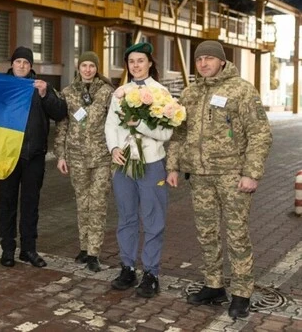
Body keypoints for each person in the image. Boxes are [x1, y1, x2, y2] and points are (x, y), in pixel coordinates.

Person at [166, 40, 272, 319]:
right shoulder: (190, 93)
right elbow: (179, 133)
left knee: (237, 234)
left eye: (209, 59)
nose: (203, 64)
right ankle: (214, 285)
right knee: (206, 233)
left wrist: (251, 173)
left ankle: (242, 292)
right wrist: (173, 166)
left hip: (232, 175)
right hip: (200, 177)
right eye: (199, 59)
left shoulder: (241, 90)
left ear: (222, 61)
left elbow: (260, 133)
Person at [104, 42, 172, 298]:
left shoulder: (161, 93)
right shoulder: (121, 92)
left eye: (140, 60)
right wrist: (113, 148)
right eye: (131, 61)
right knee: (127, 217)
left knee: (153, 219)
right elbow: (111, 125)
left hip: (152, 163)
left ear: (150, 63)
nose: (136, 65)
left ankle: (151, 273)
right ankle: (128, 268)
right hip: (124, 163)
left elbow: (166, 133)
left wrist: (139, 124)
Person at [0, 46, 67, 268]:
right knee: (7, 203)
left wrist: (46, 95)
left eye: (26, 63)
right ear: (12, 64)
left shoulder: (41, 87)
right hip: (7, 156)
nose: (22, 65)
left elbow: (60, 112)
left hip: (34, 156)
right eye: (18, 61)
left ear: (31, 66)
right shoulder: (1, 86)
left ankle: (28, 249)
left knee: (31, 204)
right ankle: (8, 249)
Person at [54, 51, 113, 273]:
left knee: (97, 205)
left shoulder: (107, 92)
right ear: (78, 68)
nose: (88, 69)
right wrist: (60, 155)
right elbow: (62, 126)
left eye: (92, 66)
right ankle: (84, 247)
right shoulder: (68, 93)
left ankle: (94, 252)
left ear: (97, 69)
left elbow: (114, 124)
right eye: (84, 65)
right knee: (82, 202)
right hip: (76, 157)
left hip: (102, 158)